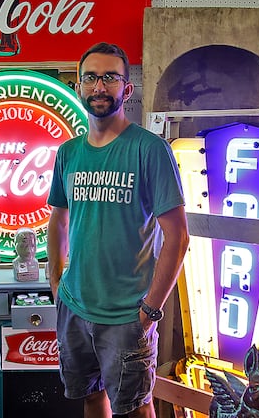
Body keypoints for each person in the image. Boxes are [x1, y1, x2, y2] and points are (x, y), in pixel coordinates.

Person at [46, 42, 190, 418]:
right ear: (78, 86)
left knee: (135, 409)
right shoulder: (68, 152)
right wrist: (56, 281)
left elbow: (178, 236)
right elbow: (58, 220)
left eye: (110, 77)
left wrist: (150, 310)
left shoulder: (150, 150)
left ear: (126, 89)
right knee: (92, 398)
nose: (99, 86)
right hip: (74, 307)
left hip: (128, 315)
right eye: (90, 77)